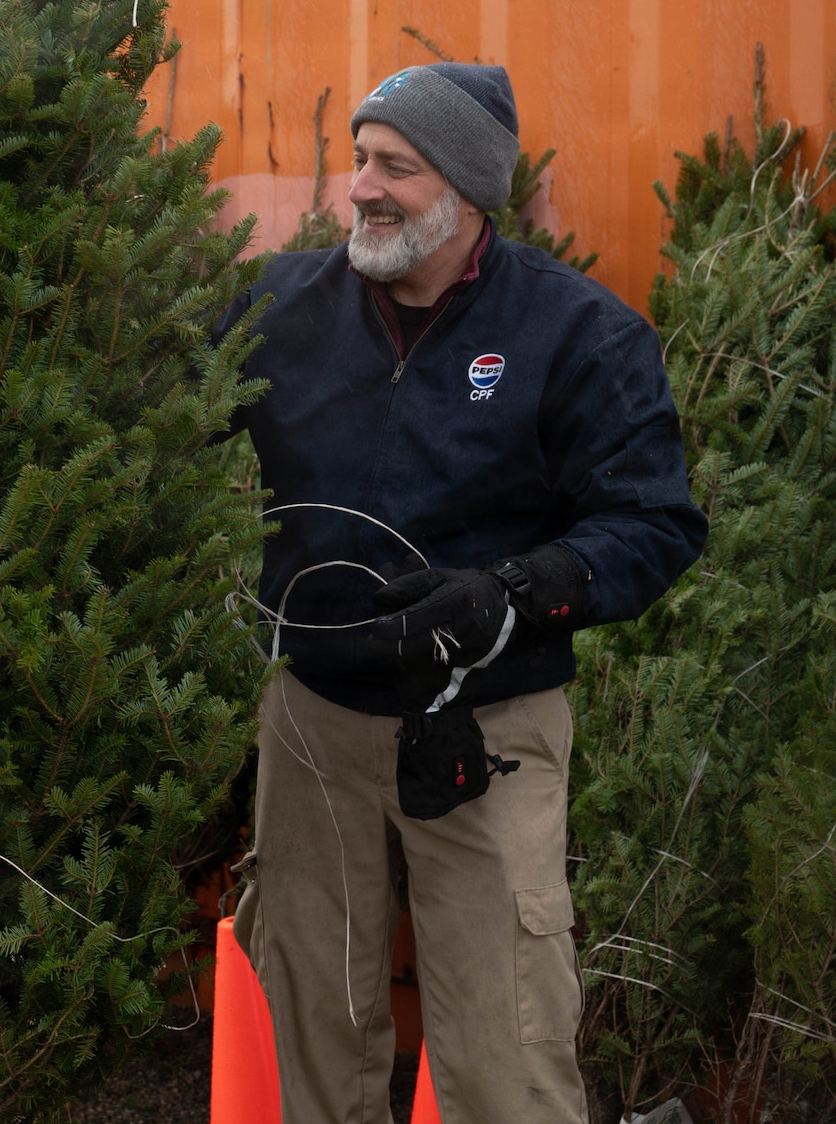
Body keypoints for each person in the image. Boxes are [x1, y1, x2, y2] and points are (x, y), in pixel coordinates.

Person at [219, 63, 706, 1122]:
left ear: (465, 189)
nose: (359, 187)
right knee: (308, 1022)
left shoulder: (577, 334)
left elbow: (653, 524)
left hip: (486, 731)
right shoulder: (279, 308)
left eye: (394, 164)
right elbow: (139, 422)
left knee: (503, 1049)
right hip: (312, 728)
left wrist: (512, 593)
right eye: (358, 158)